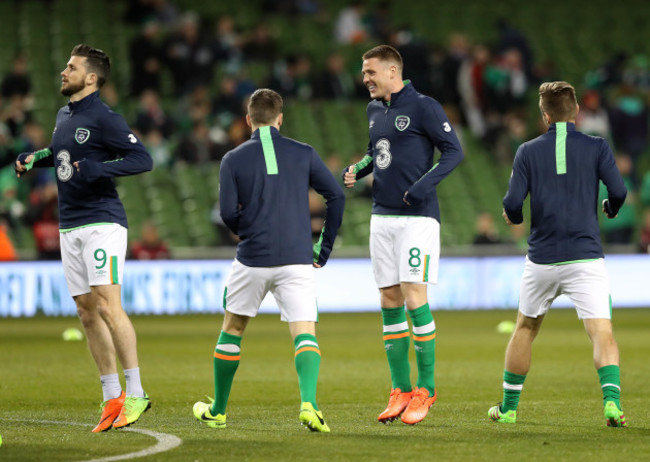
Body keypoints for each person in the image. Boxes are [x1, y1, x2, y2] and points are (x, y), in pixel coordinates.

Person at [14, 44, 153, 432]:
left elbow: (143, 159)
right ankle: (112, 397)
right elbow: (61, 152)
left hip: (101, 223)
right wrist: (33, 158)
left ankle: (137, 391)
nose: (63, 71)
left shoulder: (105, 117)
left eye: (71, 67)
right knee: (86, 312)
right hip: (69, 225)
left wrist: (99, 167)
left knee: (109, 305)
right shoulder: (64, 115)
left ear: (90, 77)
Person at [192, 88, 345, 432]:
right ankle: (309, 404)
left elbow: (228, 213)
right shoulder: (303, 153)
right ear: (280, 118)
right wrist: (325, 245)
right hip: (297, 258)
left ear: (248, 120)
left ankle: (217, 410)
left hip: (252, 259)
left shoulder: (232, 158)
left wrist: (250, 229)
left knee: (232, 329)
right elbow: (335, 195)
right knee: (304, 332)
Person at [490, 81, 628, 427]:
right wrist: (610, 206)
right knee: (601, 332)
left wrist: (516, 217)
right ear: (577, 111)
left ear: (545, 116)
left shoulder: (527, 150)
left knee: (525, 329)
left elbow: (510, 203)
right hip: (585, 257)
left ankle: (508, 410)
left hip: (542, 259)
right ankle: (611, 404)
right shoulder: (597, 147)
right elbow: (619, 190)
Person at [343, 45, 464, 425]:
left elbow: (453, 152)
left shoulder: (424, 106)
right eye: (364, 72)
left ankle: (426, 390)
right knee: (389, 298)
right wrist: (358, 170)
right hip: (383, 217)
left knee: (414, 295)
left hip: (418, 220)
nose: (365, 78)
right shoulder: (374, 110)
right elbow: (376, 152)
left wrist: (425, 186)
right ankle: (400, 390)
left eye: (370, 72)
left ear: (393, 70)